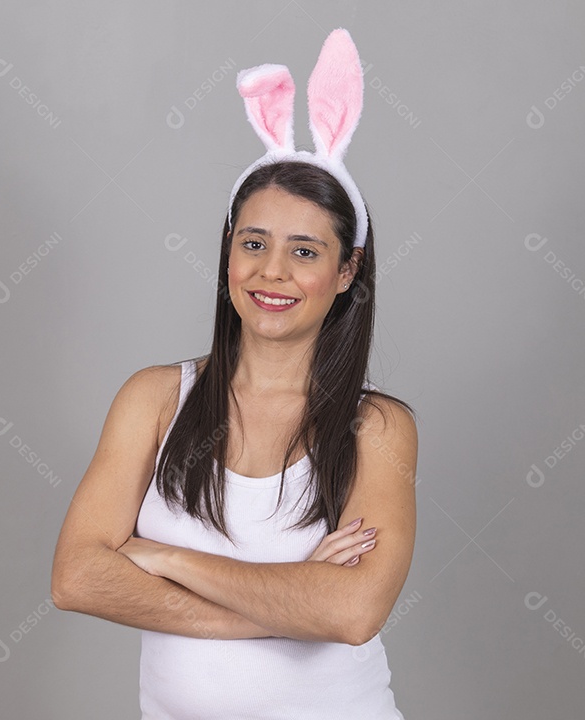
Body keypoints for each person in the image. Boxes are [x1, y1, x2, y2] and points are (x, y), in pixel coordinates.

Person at [51, 28, 417, 719]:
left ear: (346, 272)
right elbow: (76, 577)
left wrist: (164, 557)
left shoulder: (379, 428)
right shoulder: (154, 399)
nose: (272, 272)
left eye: (305, 252)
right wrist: (292, 598)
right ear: (228, 255)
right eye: (254, 243)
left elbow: (355, 611)